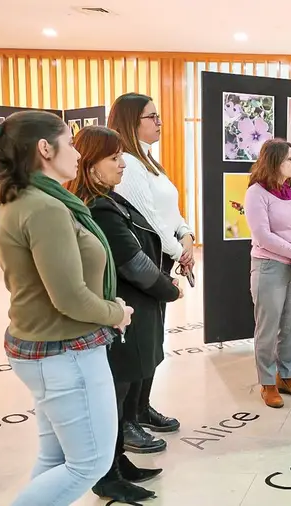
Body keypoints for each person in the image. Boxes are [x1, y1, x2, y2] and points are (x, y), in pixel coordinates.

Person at [0, 110, 134, 505]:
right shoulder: (45, 207)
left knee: (56, 458)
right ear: (44, 149)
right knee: (90, 463)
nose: (76, 151)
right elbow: (69, 298)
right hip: (65, 351)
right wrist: (115, 313)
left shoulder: (28, 199)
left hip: (46, 349)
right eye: (69, 142)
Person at [68, 126, 185, 502]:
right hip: (124, 314)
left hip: (136, 311)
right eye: (113, 158)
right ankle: (107, 474)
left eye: (121, 156)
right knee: (113, 399)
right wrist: (169, 288)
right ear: (90, 164)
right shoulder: (99, 207)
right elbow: (132, 262)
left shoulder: (109, 199)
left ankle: (118, 462)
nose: (122, 164)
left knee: (124, 395)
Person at [108, 92, 191, 446]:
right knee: (137, 345)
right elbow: (150, 222)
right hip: (142, 265)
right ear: (131, 121)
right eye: (151, 117)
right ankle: (127, 421)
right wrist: (180, 250)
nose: (159, 123)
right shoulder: (126, 164)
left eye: (158, 116)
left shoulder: (149, 162)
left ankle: (141, 409)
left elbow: (170, 211)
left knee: (153, 340)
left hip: (162, 260)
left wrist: (187, 235)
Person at [244, 139, 291, 408]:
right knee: (268, 328)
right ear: (275, 162)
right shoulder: (256, 193)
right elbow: (263, 236)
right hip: (269, 267)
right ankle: (267, 382)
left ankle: (285, 376)